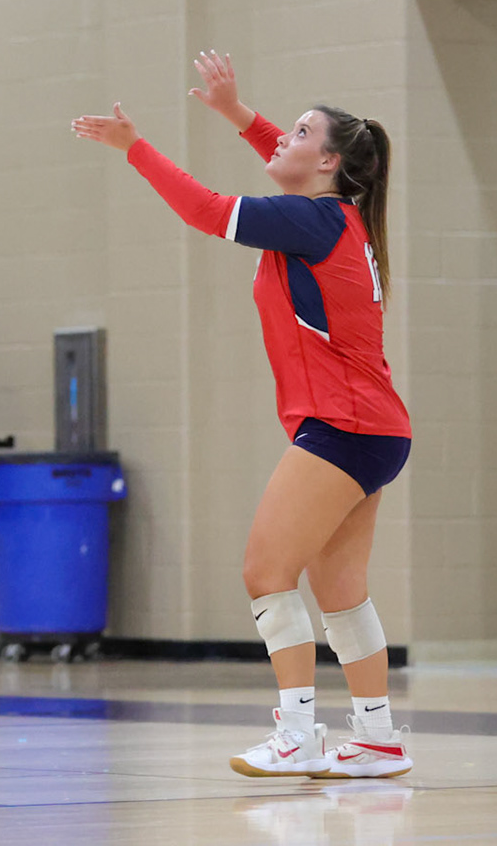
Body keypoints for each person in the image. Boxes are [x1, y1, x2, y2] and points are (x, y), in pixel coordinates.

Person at [73, 51, 413, 780]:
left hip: (344, 424)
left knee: (265, 570)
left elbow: (202, 209)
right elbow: (288, 165)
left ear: (327, 162)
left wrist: (134, 149)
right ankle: (378, 738)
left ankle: (297, 733)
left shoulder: (312, 221)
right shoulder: (334, 214)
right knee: (340, 591)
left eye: (297, 132)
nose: (280, 139)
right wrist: (237, 118)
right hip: (374, 426)